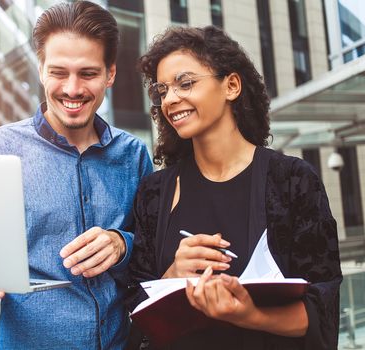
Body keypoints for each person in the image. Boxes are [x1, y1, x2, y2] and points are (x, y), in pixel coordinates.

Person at [0, 1, 152, 349]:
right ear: (40, 70)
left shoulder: (134, 155)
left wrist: (122, 243)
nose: (73, 88)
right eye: (59, 72)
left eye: (88, 74)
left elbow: (152, 256)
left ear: (110, 74)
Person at [125, 25, 342, 349]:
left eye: (185, 83)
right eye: (162, 90)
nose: (170, 99)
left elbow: (322, 311)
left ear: (232, 85)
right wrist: (172, 276)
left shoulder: (293, 181)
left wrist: (249, 314)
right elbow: (136, 314)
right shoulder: (154, 193)